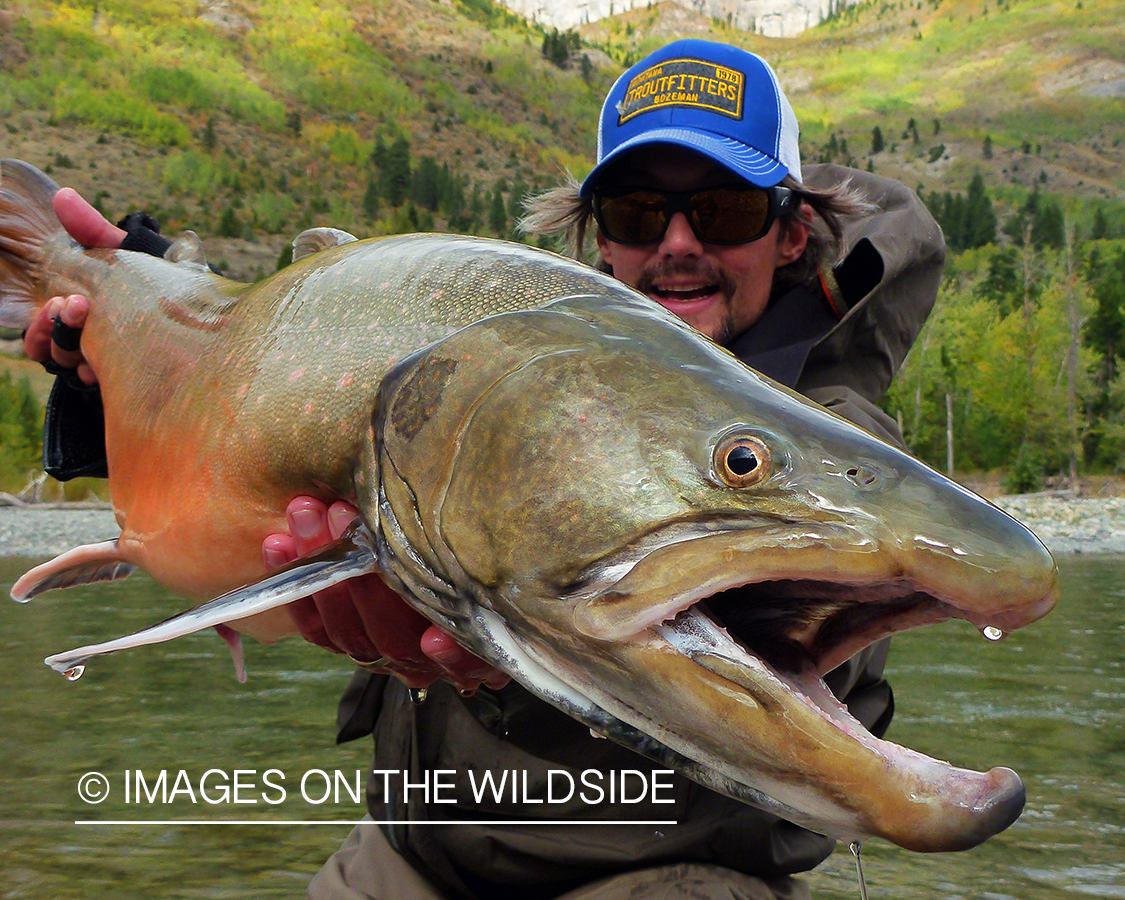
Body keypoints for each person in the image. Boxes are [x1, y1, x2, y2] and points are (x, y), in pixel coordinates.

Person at [25, 39, 943, 900]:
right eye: (635, 212)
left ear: (791, 234)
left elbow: (768, 707)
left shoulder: (834, 452)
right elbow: (267, 382)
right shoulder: (521, 367)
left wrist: (489, 661)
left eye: (724, 210)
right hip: (409, 852)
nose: (675, 243)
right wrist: (129, 334)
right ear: (599, 238)